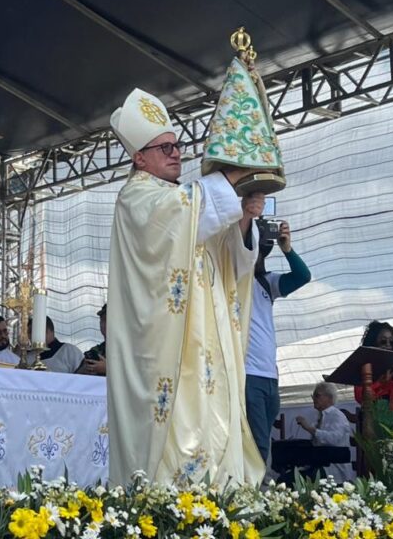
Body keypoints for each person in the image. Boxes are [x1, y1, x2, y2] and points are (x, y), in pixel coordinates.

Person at [106, 88, 265, 486]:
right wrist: (230, 179)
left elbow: (229, 258)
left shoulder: (184, 198)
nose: (176, 153)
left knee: (214, 418)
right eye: (165, 148)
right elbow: (183, 213)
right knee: (180, 422)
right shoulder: (136, 197)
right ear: (139, 158)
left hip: (207, 341)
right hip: (169, 348)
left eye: (177, 146)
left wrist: (244, 217)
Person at [244, 218, 311, 464]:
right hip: (247, 373)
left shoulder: (267, 281)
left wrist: (287, 249)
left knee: (263, 439)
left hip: (270, 376)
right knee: (259, 441)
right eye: (253, 249)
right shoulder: (232, 279)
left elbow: (302, 276)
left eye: (261, 251)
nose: (257, 256)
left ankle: (258, 480)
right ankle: (258, 484)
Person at [353, 320, 393, 432]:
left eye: (391, 342)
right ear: (373, 343)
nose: (388, 345)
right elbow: (360, 397)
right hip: (372, 420)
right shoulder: (365, 366)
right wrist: (380, 383)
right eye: (383, 342)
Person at [295, 382, 355, 483]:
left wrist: (310, 429)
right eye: (313, 396)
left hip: (334, 468)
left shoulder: (337, 416)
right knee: (289, 476)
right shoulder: (319, 416)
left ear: (329, 398)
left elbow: (333, 439)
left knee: (298, 479)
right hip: (319, 463)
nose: (314, 399)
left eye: (317, 395)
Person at [76, 304, 107, 376]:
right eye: (103, 320)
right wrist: (83, 371)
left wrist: (108, 369)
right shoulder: (95, 351)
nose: (106, 324)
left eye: (112, 320)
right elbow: (74, 378)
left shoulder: (130, 350)